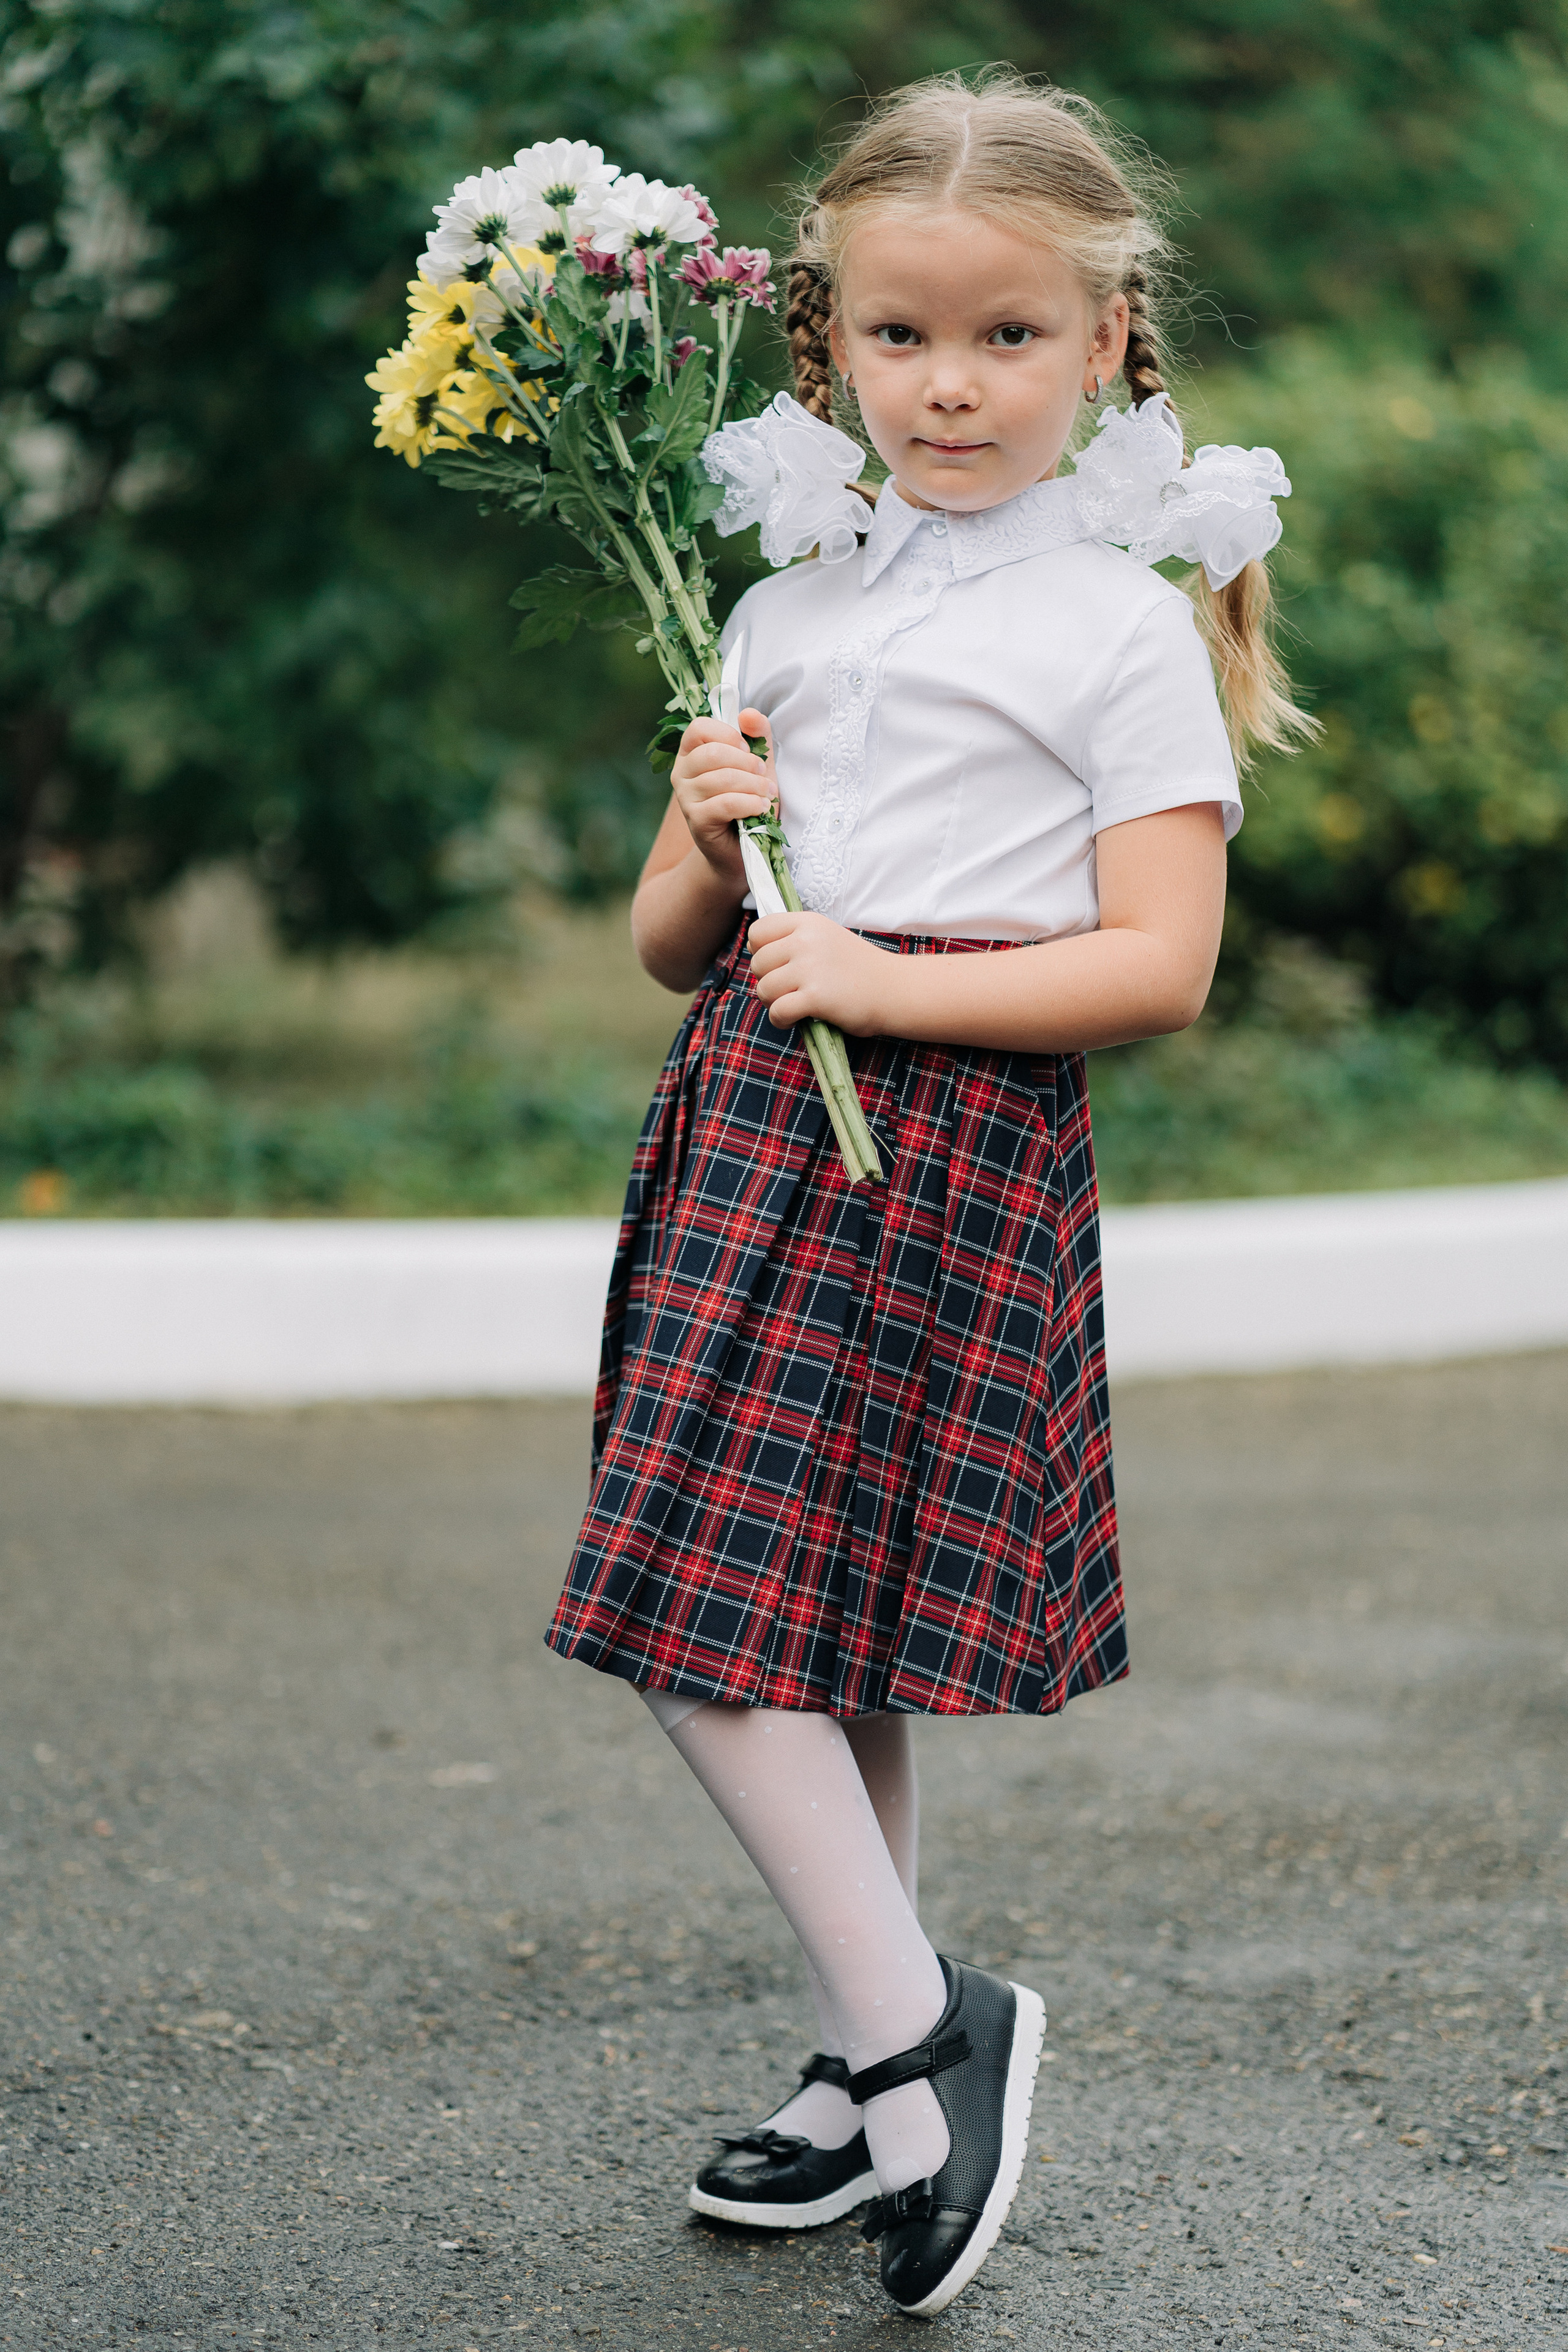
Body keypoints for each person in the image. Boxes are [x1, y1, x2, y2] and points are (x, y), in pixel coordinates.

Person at [545, 70, 1311, 2318]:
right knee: (804, 1620)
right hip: (753, 1123)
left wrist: (886, 976)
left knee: (692, 1620)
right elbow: (674, 949)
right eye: (899, 340)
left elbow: (1159, 966)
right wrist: (704, 828)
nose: (948, 387)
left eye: (1003, 340)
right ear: (827, 343)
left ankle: (924, 2039)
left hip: (949, 1143)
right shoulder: (785, 605)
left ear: (1104, 342)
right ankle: (863, 2040)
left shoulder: (1117, 623)